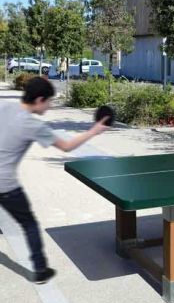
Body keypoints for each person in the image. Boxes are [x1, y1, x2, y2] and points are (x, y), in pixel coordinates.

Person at [0, 77, 109, 284]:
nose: (49, 106)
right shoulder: (32, 124)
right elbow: (66, 146)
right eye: (48, 101)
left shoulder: (3, 106)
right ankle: (40, 271)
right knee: (29, 224)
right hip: (5, 185)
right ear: (39, 99)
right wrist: (93, 131)